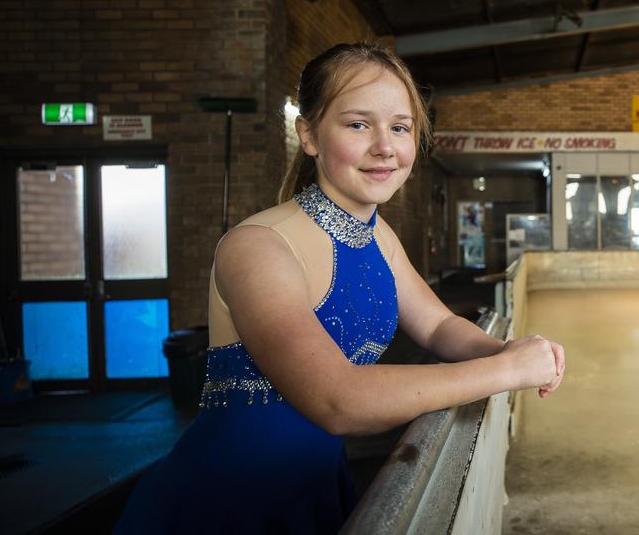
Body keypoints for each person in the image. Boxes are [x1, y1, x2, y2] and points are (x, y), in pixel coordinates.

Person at [115, 43, 565, 534]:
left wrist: (502, 346)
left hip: (314, 487)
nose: (385, 147)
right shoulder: (258, 247)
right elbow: (337, 399)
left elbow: (437, 324)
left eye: (400, 127)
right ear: (308, 134)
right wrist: (502, 370)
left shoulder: (380, 237)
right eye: (357, 125)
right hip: (228, 503)